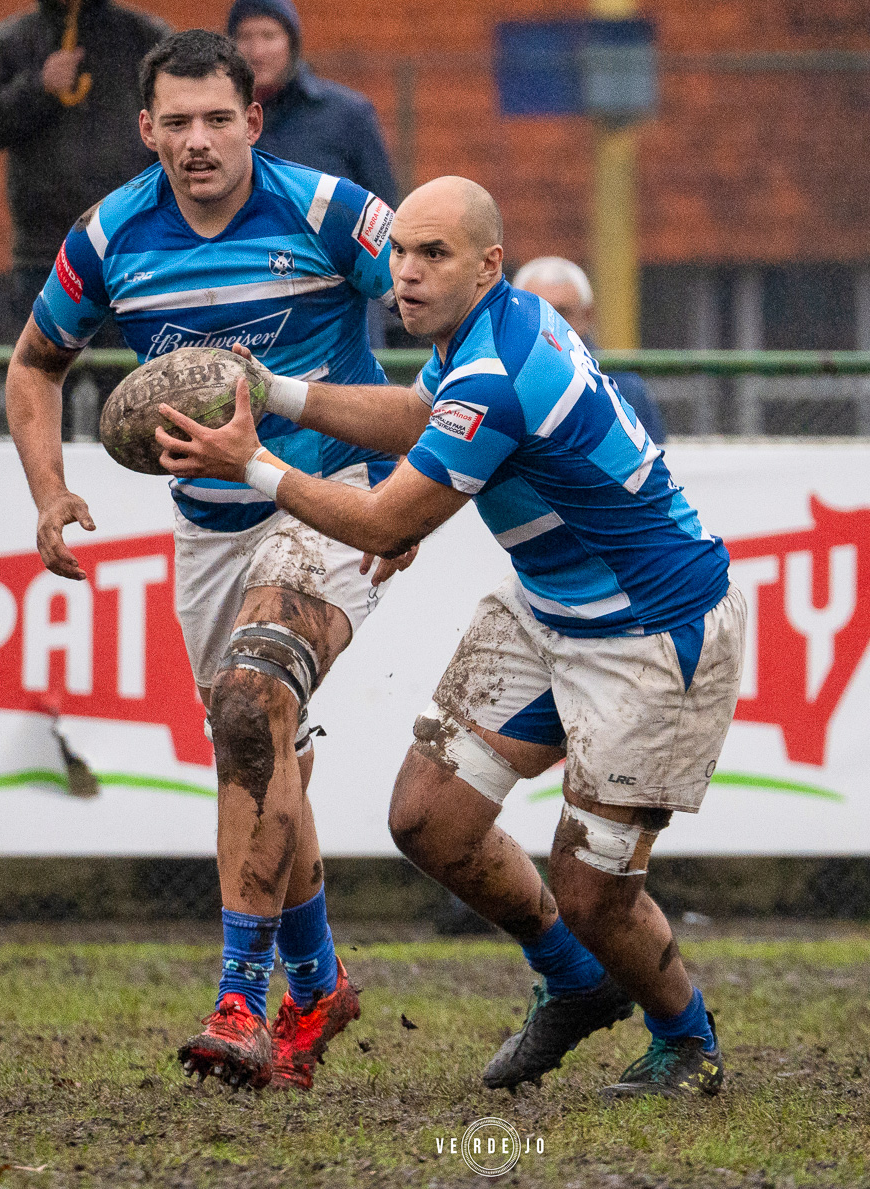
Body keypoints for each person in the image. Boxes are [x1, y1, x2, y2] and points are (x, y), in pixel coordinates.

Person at [156, 177, 745, 1099]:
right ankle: (576, 979)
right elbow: (419, 417)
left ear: (488, 264)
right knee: (428, 817)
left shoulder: (496, 372)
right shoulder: (486, 333)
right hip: (552, 607)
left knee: (593, 891)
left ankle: (687, 1038)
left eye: (434, 255)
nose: (407, 274)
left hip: (652, 632)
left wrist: (255, 463)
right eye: (400, 254)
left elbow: (385, 521)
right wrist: (278, 391)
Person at [4, 29, 404, 1091]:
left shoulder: (325, 211)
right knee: (259, 751)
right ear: (146, 131)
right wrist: (50, 494)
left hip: (329, 499)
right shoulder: (108, 236)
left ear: (254, 121)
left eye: (217, 118)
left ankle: (241, 998)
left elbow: (445, 305)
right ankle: (319, 984)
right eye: (175, 122)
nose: (197, 140)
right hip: (207, 529)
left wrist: (427, 487)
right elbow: (35, 365)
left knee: (250, 701)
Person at [0, 0, 170, 430]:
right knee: (40, 392)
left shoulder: (145, 37)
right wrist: (38, 86)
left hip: (130, 249)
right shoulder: (11, 39)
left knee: (133, 404)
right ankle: (46, 494)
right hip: (43, 254)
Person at [228, 0, 399, 203]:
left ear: (292, 43)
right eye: (245, 37)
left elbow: (382, 208)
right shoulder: (217, 116)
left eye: (269, 36)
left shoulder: (348, 114)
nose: (257, 52)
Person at [513, 255, 667, 443]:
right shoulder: (495, 379)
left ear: (587, 315)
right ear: (515, 316)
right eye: (537, 312)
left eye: (561, 313)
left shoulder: (623, 387)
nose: (548, 325)